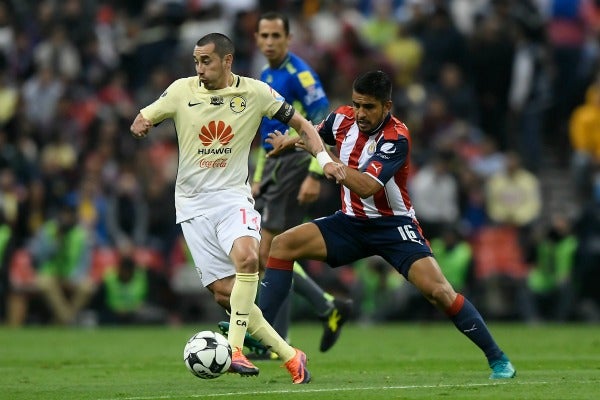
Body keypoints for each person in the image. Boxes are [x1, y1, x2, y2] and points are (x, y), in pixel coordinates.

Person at [260, 70, 516, 379]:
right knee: (281, 245)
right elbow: (313, 134)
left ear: (387, 106)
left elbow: (367, 186)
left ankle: (498, 359)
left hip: (392, 226)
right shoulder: (341, 120)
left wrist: (327, 160)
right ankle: (261, 334)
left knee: (439, 292)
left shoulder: (397, 137)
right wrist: (288, 142)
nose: (360, 113)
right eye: (357, 105)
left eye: (369, 107)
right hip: (350, 223)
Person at [129, 32, 345, 383]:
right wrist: (142, 123)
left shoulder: (255, 92)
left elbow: (303, 124)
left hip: (232, 197)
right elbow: (144, 115)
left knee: (248, 258)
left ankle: (234, 349)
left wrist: (322, 160)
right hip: (192, 205)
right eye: (196, 61)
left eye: (206, 61)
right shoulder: (182, 90)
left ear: (227, 61)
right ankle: (291, 355)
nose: (199, 68)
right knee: (225, 295)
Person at [220, 11, 352, 356]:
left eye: (276, 36)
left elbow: (322, 122)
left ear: (288, 39)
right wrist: (260, 178)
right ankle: (321, 310)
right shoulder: (265, 73)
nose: (269, 42)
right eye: (263, 36)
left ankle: (268, 338)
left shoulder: (299, 74)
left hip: (295, 163)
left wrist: (313, 170)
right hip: (274, 168)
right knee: (274, 256)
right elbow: (266, 131)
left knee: (268, 252)